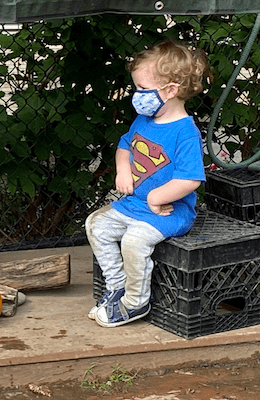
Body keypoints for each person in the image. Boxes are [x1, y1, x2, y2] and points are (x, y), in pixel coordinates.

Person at [86, 40, 207, 327]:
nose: (137, 95)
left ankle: (135, 303)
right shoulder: (144, 119)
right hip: (134, 204)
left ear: (171, 90)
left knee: (134, 241)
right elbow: (125, 145)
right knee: (96, 224)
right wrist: (122, 169)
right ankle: (117, 286)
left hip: (169, 212)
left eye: (142, 89)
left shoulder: (185, 133)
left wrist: (156, 197)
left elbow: (191, 180)